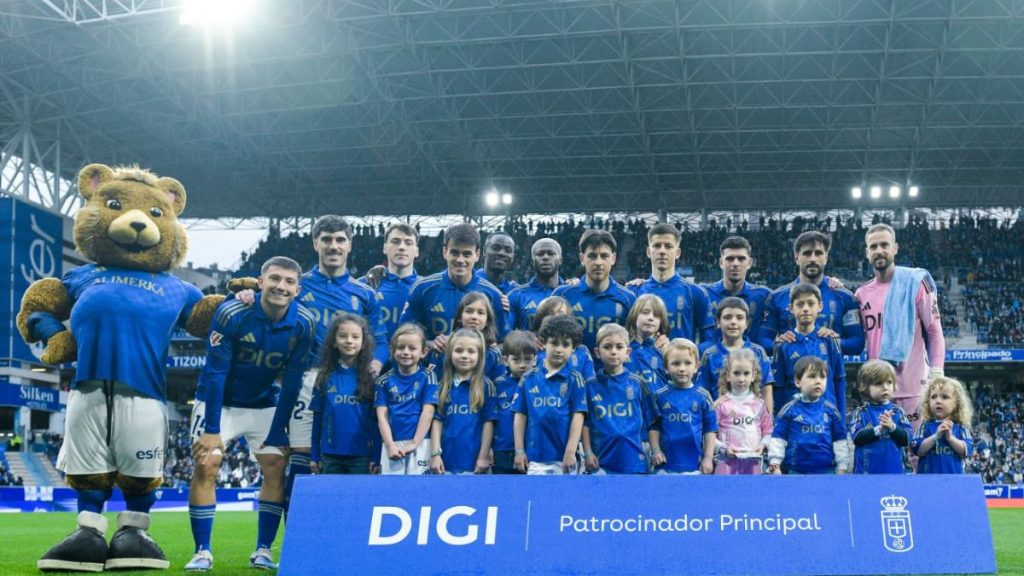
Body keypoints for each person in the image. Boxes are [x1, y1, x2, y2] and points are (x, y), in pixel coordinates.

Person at [185, 257, 315, 572]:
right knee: (207, 463)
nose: (280, 286)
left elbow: (293, 382)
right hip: (219, 402)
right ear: (260, 282)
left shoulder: (304, 323)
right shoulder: (232, 312)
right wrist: (212, 429)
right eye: (275, 279)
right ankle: (202, 551)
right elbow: (216, 373)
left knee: (275, 466)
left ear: (297, 289)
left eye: (288, 282)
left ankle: (263, 550)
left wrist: (279, 429)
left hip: (264, 403)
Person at [856, 223, 945, 427]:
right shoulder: (861, 295)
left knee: (917, 453)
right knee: (882, 453)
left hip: (913, 388)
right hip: (877, 390)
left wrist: (937, 370)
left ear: (895, 248)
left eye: (884, 245)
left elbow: (933, 330)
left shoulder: (915, 282)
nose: (879, 250)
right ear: (866, 252)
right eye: (874, 246)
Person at [400, 223, 508, 349]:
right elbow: (403, 335)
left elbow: (502, 342)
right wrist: (430, 343)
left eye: (467, 254)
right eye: (455, 253)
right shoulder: (422, 289)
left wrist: (477, 348)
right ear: (445, 252)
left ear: (477, 255)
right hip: (432, 368)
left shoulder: (492, 294)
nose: (460, 260)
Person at [760, 231, 864, 356]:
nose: (813, 259)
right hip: (790, 374)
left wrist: (833, 342)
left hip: (830, 374)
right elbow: (763, 341)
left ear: (826, 258)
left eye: (818, 253)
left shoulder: (845, 297)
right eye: (807, 253)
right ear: (796, 257)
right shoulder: (777, 297)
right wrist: (781, 344)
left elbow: (857, 343)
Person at [512, 314, 588, 474]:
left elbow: (578, 416)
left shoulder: (575, 379)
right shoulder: (528, 378)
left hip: (565, 458)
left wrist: (570, 451)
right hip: (536, 458)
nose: (559, 349)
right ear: (542, 343)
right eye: (554, 343)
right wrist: (519, 451)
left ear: (573, 348)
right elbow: (520, 415)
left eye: (566, 345)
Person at [309, 314, 380, 475]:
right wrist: (315, 454)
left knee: (359, 499)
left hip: (361, 456)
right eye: (343, 336)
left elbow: (376, 422)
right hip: (330, 455)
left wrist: (376, 455)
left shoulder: (371, 378)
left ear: (363, 343)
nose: (349, 341)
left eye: (355, 337)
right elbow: (317, 419)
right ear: (334, 342)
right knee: (332, 499)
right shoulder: (324, 376)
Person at [582, 324, 652, 475]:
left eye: (619, 347)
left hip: (633, 462)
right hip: (600, 463)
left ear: (627, 352)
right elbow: (585, 423)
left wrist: (655, 450)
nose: (613, 351)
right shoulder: (589, 386)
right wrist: (587, 452)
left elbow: (652, 422)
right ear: (597, 352)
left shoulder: (638, 383)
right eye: (607, 347)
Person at [771, 284, 847, 417]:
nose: (806, 309)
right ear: (791, 308)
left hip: (826, 418)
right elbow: (779, 389)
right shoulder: (783, 345)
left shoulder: (829, 340)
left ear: (820, 306)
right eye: (800, 304)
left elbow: (839, 381)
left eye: (811, 303)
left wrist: (840, 420)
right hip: (795, 420)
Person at [553, 229, 636, 350]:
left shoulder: (628, 298)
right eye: (592, 256)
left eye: (604, 256)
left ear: (613, 258)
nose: (598, 262)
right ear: (582, 258)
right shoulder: (562, 295)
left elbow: (634, 341)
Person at [632, 223, 716, 343]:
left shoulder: (696, 293)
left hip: (680, 361)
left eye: (668, 246)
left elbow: (709, 341)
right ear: (648, 252)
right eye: (657, 245)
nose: (662, 251)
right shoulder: (634, 291)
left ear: (677, 253)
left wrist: (686, 354)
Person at [429, 329, 497, 474]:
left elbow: (488, 422)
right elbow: (437, 421)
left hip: (475, 465)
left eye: (471, 352)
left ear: (480, 356)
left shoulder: (486, 386)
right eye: (459, 351)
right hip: (445, 464)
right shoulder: (442, 386)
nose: (464, 356)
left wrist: (483, 456)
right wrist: (435, 454)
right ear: (449, 354)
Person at [768, 357, 851, 475]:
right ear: (797, 381)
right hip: (795, 472)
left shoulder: (831, 411)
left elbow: (840, 441)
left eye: (822, 377)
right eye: (812, 376)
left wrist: (842, 467)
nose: (818, 381)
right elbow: (778, 439)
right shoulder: (789, 410)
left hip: (826, 472)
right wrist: (775, 463)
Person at [375, 324, 438, 475]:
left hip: (422, 443)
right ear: (392, 351)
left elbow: (428, 412)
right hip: (392, 444)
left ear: (424, 352)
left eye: (412, 348)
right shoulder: (383, 381)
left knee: (420, 492)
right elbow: (382, 417)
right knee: (392, 492)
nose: (406, 352)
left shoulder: (428, 377)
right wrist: (389, 445)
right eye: (401, 347)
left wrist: (415, 442)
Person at [649, 339, 717, 474]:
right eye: (675, 363)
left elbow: (710, 430)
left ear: (696, 366)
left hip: (694, 466)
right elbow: (654, 427)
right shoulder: (659, 396)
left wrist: (708, 458)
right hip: (665, 467)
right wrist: (656, 450)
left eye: (687, 363)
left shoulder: (703, 396)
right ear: (666, 367)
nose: (682, 368)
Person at [695, 298, 774, 404]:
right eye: (727, 317)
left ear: (746, 323)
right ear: (718, 322)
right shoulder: (709, 355)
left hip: (752, 417)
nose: (733, 322)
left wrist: (768, 418)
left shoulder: (758, 352)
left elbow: (766, 389)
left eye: (739, 318)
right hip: (720, 417)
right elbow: (703, 391)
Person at [714, 348, 773, 475]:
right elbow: (709, 436)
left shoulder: (760, 404)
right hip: (727, 464)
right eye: (736, 373)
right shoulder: (720, 404)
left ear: (754, 376)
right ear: (728, 375)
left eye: (746, 373)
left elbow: (768, 431)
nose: (741, 379)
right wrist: (723, 449)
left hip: (753, 464)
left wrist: (762, 445)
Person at [424, 292, 504, 384]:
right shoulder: (443, 347)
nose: (474, 316)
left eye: (480, 313)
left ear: (487, 321)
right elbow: (432, 386)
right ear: (459, 318)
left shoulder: (493, 354)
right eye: (469, 311)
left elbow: (500, 388)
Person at [703, 236, 772, 342]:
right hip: (711, 357)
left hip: (751, 357)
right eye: (730, 259)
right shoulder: (704, 294)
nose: (735, 263)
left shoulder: (764, 296)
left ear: (749, 263)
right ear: (721, 262)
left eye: (741, 259)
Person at [849, 360, 912, 474]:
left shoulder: (898, 412)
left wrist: (892, 427)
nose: (885, 387)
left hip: (895, 473)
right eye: (878, 383)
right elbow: (857, 438)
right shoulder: (860, 413)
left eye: (889, 382)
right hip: (866, 475)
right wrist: (879, 429)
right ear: (865, 387)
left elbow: (907, 439)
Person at [368, 223, 420, 348]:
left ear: (416, 251)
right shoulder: (366, 285)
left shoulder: (425, 288)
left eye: (408, 243)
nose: (401, 247)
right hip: (373, 364)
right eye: (395, 242)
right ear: (385, 248)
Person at [493, 331, 538, 474]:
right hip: (502, 449)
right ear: (505, 360)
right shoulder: (498, 384)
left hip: (531, 449)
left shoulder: (539, 383)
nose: (522, 365)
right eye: (517, 360)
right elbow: (491, 418)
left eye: (528, 359)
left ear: (535, 360)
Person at [912, 376, 974, 474]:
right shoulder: (924, 427)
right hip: (927, 483)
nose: (938, 401)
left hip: (953, 483)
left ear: (956, 404)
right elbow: (917, 450)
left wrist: (950, 438)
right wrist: (936, 436)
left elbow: (967, 450)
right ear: (928, 402)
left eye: (945, 397)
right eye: (933, 397)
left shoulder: (961, 427)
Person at [532, 296, 596, 381]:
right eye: (550, 315)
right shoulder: (533, 348)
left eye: (561, 314)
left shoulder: (581, 351)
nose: (556, 318)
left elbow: (590, 382)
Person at [508, 238, 565, 330]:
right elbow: (506, 335)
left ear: (560, 260)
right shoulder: (516, 295)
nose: (545, 257)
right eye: (540, 254)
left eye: (551, 253)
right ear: (532, 261)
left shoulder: (571, 293)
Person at [625, 294, 669, 390]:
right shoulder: (622, 348)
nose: (650, 318)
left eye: (656, 315)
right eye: (645, 312)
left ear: (661, 322)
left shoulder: (667, 351)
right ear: (634, 315)